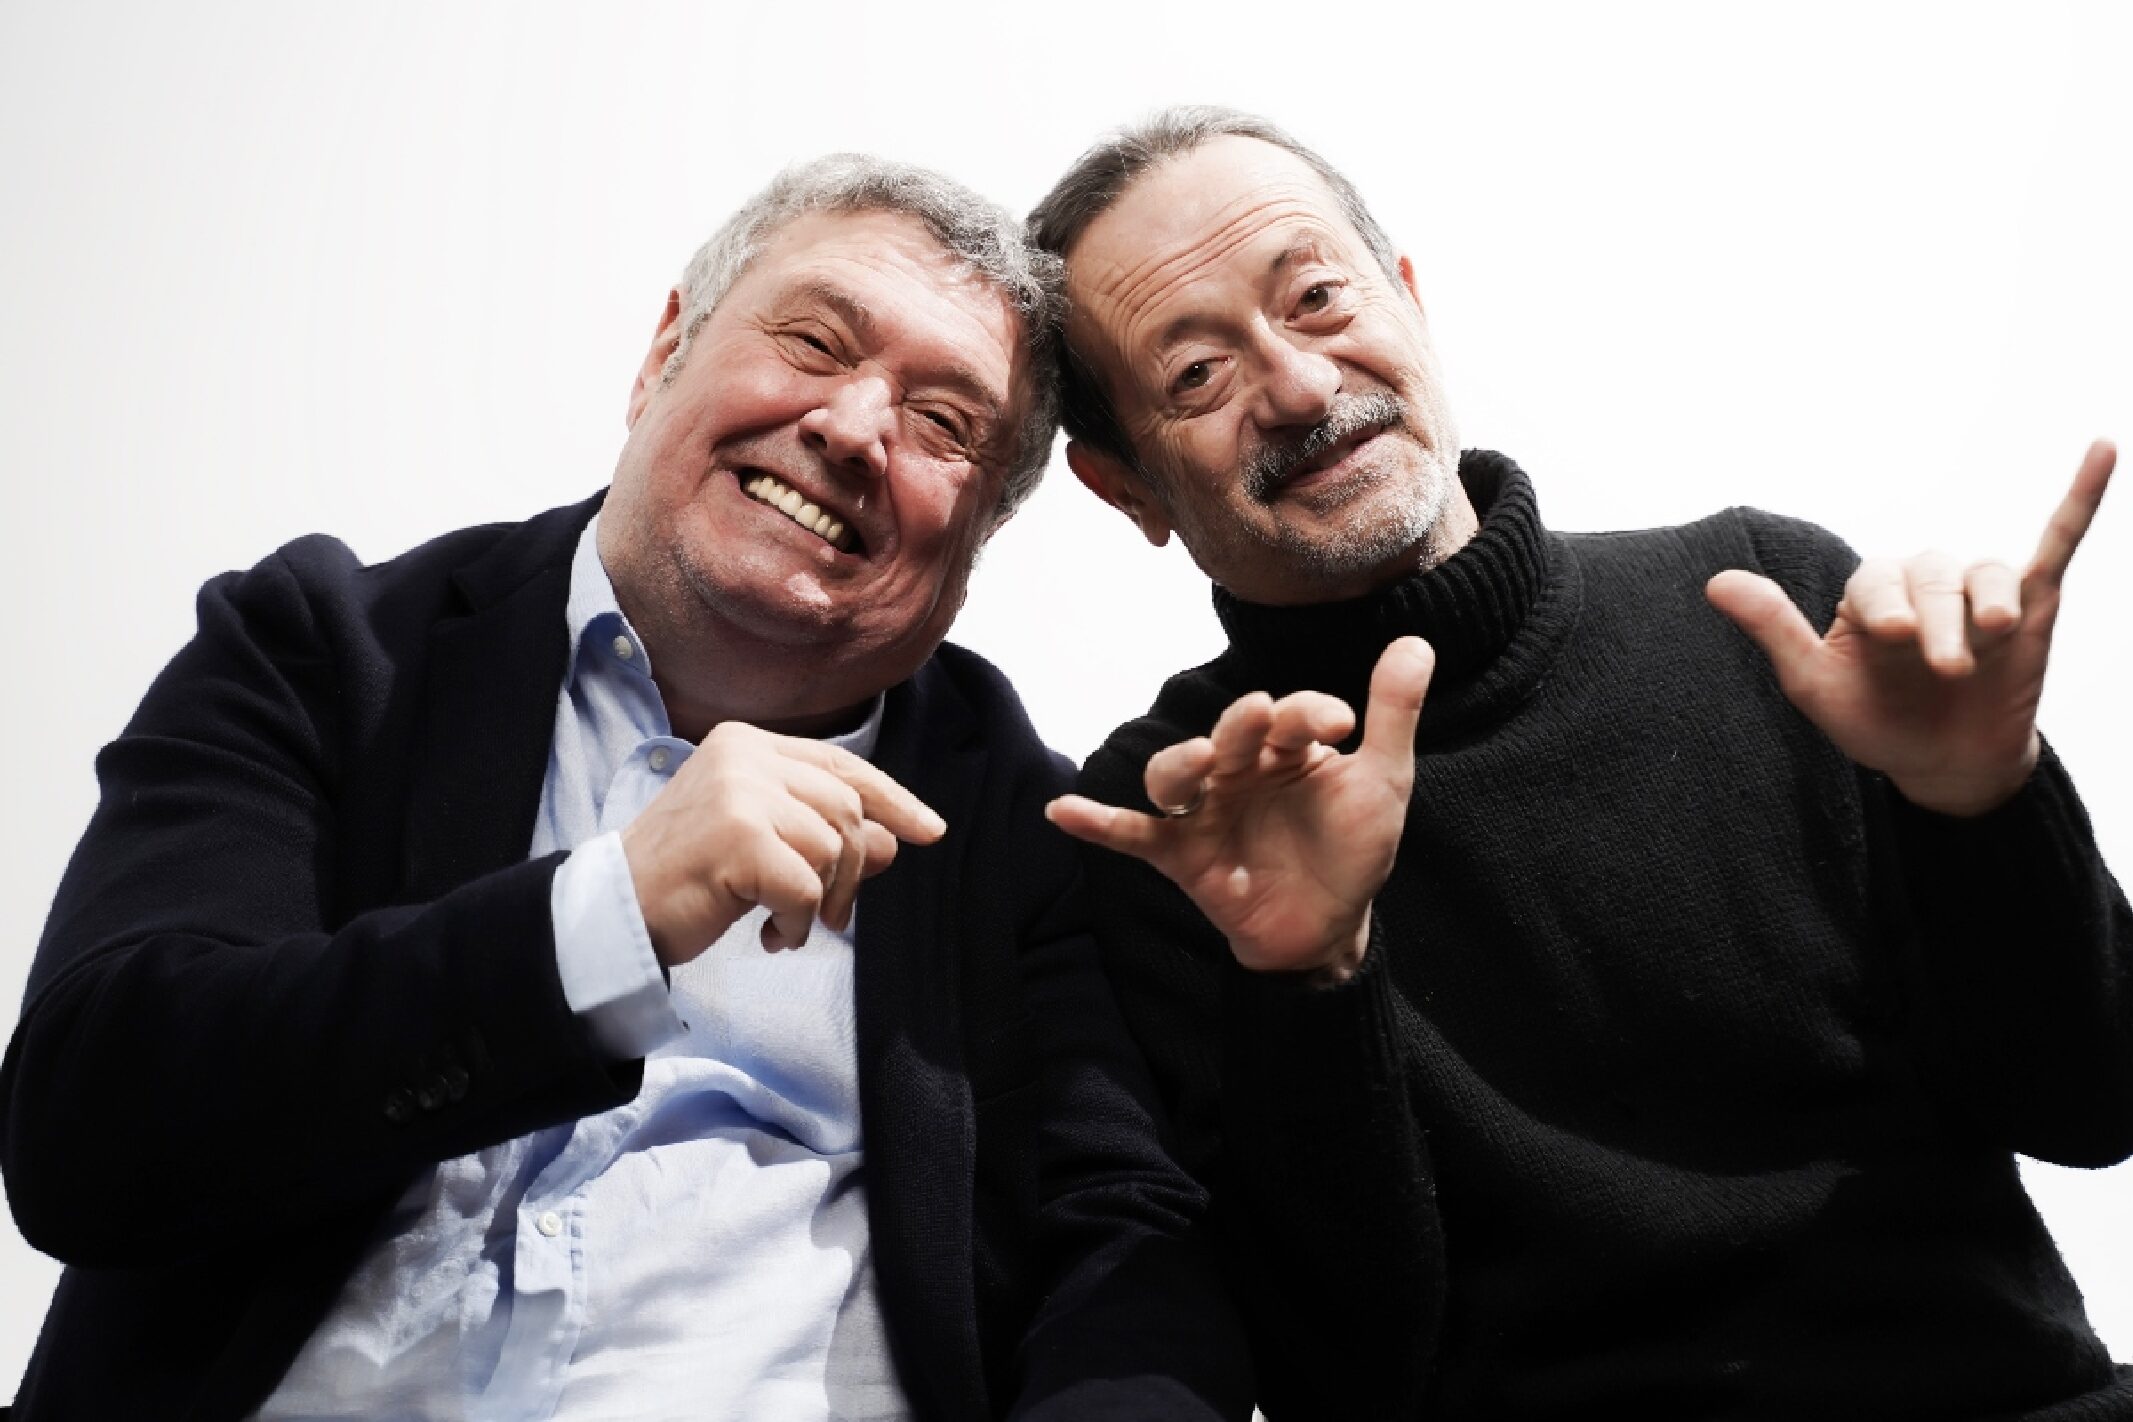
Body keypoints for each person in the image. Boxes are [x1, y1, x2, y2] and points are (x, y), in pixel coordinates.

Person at [0, 155, 1250, 1422]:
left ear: (981, 533)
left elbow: (1130, 1255)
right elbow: (85, 1129)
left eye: (944, 424)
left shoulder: (1026, 839)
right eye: (816, 343)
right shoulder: (326, 652)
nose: (854, 429)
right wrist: (601, 923)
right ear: (664, 354)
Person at [1030, 107, 2132, 1420]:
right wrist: (1306, 983)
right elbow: (1344, 1377)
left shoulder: (1768, 603)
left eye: (1317, 297)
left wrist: (1981, 802)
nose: (1302, 388)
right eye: (1198, 372)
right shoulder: (1171, 813)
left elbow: (2093, 1104)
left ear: (1409, 298)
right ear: (1124, 485)